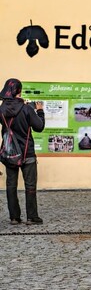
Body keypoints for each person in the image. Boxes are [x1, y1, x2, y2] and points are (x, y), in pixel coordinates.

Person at [0, 78, 45, 225]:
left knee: (11, 185)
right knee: (30, 186)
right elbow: (39, 127)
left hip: (10, 152)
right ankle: (32, 217)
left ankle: (14, 217)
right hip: (27, 152)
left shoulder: (1, 110)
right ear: (19, 91)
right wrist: (39, 111)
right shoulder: (26, 109)